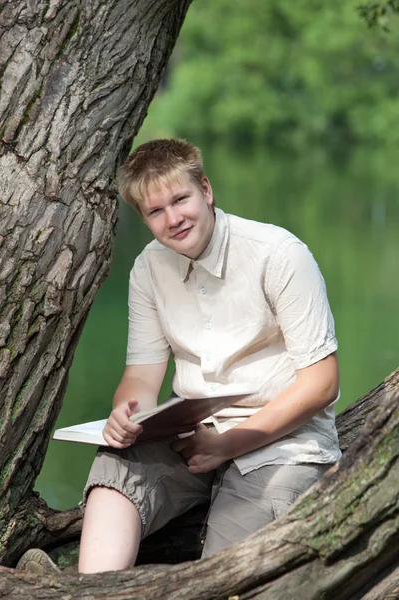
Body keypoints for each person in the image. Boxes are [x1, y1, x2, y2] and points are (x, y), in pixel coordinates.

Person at [78, 138, 341, 574]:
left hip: (280, 444)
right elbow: (141, 377)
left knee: (222, 575)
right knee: (116, 465)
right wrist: (128, 414)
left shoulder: (279, 255)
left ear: (206, 189)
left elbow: (322, 383)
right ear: (143, 218)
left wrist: (227, 446)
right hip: (193, 437)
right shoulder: (148, 268)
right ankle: (95, 589)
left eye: (181, 199)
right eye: (155, 211)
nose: (173, 219)